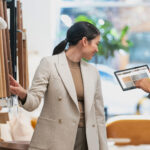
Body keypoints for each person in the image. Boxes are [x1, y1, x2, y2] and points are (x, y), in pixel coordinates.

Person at [9, 21, 108, 150]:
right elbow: (33, 102)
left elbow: (99, 115)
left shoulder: (93, 72)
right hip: (56, 139)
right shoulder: (49, 64)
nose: (97, 49)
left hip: (88, 140)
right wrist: (23, 94)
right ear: (84, 41)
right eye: (96, 44)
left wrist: (103, 147)